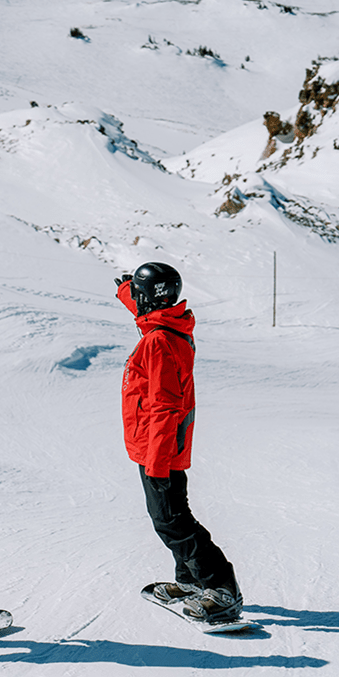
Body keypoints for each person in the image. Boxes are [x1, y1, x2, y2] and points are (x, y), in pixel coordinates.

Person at [115, 262, 243, 623]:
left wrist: (156, 463)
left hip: (159, 447)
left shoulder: (157, 341)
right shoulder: (171, 324)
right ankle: (190, 581)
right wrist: (128, 290)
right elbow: (148, 310)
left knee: (171, 521)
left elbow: (164, 406)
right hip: (163, 445)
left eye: (138, 297)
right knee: (173, 514)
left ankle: (221, 586)